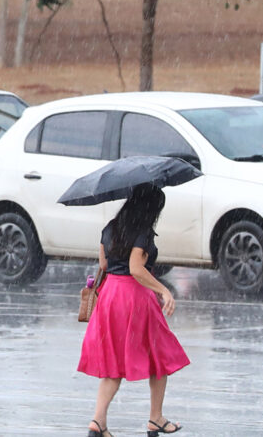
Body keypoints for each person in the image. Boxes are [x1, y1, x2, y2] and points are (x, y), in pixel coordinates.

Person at [77, 184, 190, 436]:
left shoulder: (110, 228)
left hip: (110, 297)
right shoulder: (143, 232)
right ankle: (155, 418)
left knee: (113, 362)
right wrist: (164, 290)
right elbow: (136, 269)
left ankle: (98, 421)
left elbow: (104, 264)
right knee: (160, 356)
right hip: (134, 298)